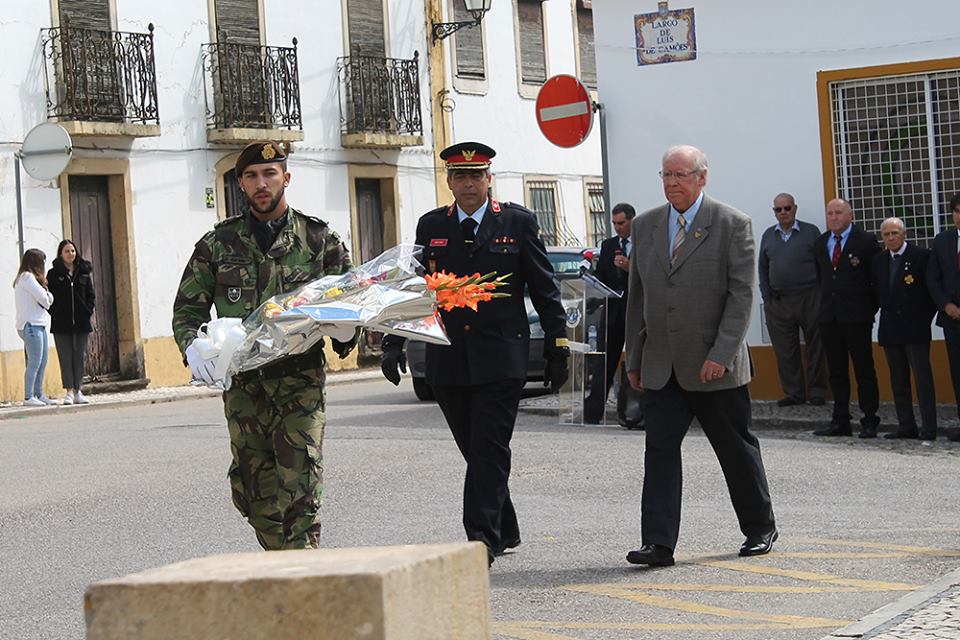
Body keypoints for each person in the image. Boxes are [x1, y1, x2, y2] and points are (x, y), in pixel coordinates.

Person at [380, 142, 570, 566]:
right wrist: (393, 341)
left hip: (501, 357)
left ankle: (480, 539)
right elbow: (414, 288)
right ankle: (506, 526)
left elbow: (544, 286)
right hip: (448, 358)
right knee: (475, 448)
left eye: (476, 175)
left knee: (488, 447)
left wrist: (557, 342)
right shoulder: (432, 225)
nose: (469, 184)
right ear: (449, 181)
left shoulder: (517, 222)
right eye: (460, 176)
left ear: (489, 179)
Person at [172, 140, 355, 550]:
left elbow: (353, 299)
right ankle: (283, 564)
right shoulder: (218, 244)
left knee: (301, 491)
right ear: (240, 183)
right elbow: (187, 309)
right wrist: (194, 348)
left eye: (270, 174)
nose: (261, 184)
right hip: (245, 390)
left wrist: (346, 331)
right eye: (252, 176)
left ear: (286, 178)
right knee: (253, 495)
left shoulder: (318, 240)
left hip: (299, 384)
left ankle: (300, 576)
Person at [624, 145, 777, 567]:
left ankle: (760, 527)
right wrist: (634, 357)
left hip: (714, 366)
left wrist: (722, 353)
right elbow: (637, 297)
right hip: (662, 364)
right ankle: (658, 543)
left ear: (702, 177)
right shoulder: (646, 225)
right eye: (666, 175)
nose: (672, 183)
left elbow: (741, 296)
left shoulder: (732, 224)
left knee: (735, 450)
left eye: (681, 174)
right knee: (659, 452)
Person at [812, 198, 881, 438]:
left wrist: (869, 309)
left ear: (849, 215)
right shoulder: (821, 243)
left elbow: (875, 279)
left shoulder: (865, 241)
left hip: (857, 317)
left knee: (864, 369)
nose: (834, 217)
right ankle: (840, 419)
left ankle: (869, 418)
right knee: (837, 371)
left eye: (839, 212)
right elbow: (821, 279)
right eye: (830, 213)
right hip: (829, 317)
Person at [757, 193, 827, 407]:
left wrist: (821, 294)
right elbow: (762, 267)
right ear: (774, 212)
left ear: (794, 208)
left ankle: (817, 392)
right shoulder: (768, 235)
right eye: (778, 209)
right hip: (779, 302)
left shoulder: (811, 232)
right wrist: (767, 296)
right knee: (785, 351)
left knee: (816, 347)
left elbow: (822, 264)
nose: (783, 213)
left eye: (787, 208)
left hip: (810, 297)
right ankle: (794, 393)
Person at [871, 217, 937, 441]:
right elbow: (877, 292)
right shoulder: (879, 260)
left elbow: (930, 293)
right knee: (898, 381)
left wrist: (922, 320)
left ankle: (929, 427)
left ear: (904, 234)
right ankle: (906, 425)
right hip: (891, 328)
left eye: (895, 233)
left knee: (922, 381)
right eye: (886, 235)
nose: (891, 238)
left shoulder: (921, 256)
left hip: (915, 328)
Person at [584, 202, 641, 427]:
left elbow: (650, 275)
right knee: (604, 363)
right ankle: (593, 412)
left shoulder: (645, 242)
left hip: (637, 313)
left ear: (632, 220)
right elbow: (602, 275)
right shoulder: (608, 246)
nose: (618, 228)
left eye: (622, 223)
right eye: (614, 224)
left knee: (639, 362)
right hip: (613, 313)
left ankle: (639, 411)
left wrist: (630, 267)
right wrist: (591, 281)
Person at [926, 192, 960, 442]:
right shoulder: (943, 240)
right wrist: (946, 305)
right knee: (958, 372)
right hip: (952, 319)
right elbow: (933, 277)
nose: (959, 217)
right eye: (956, 211)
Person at [47, 239, 96, 405]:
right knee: (65, 357)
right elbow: (49, 298)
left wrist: (87, 312)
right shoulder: (54, 274)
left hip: (81, 323)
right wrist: (55, 314)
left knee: (79, 357)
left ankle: (78, 390)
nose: (70, 254)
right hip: (61, 323)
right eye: (67, 251)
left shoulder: (83, 272)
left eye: (73, 251)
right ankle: (68, 391)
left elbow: (91, 296)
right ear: (61, 254)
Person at [14, 249, 56, 407]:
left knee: (42, 361)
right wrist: (47, 297)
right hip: (31, 325)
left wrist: (47, 297)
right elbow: (45, 300)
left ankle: (39, 394)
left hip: (39, 324)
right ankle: (28, 396)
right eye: (42, 262)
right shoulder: (27, 277)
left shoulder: (30, 279)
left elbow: (47, 298)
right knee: (34, 362)